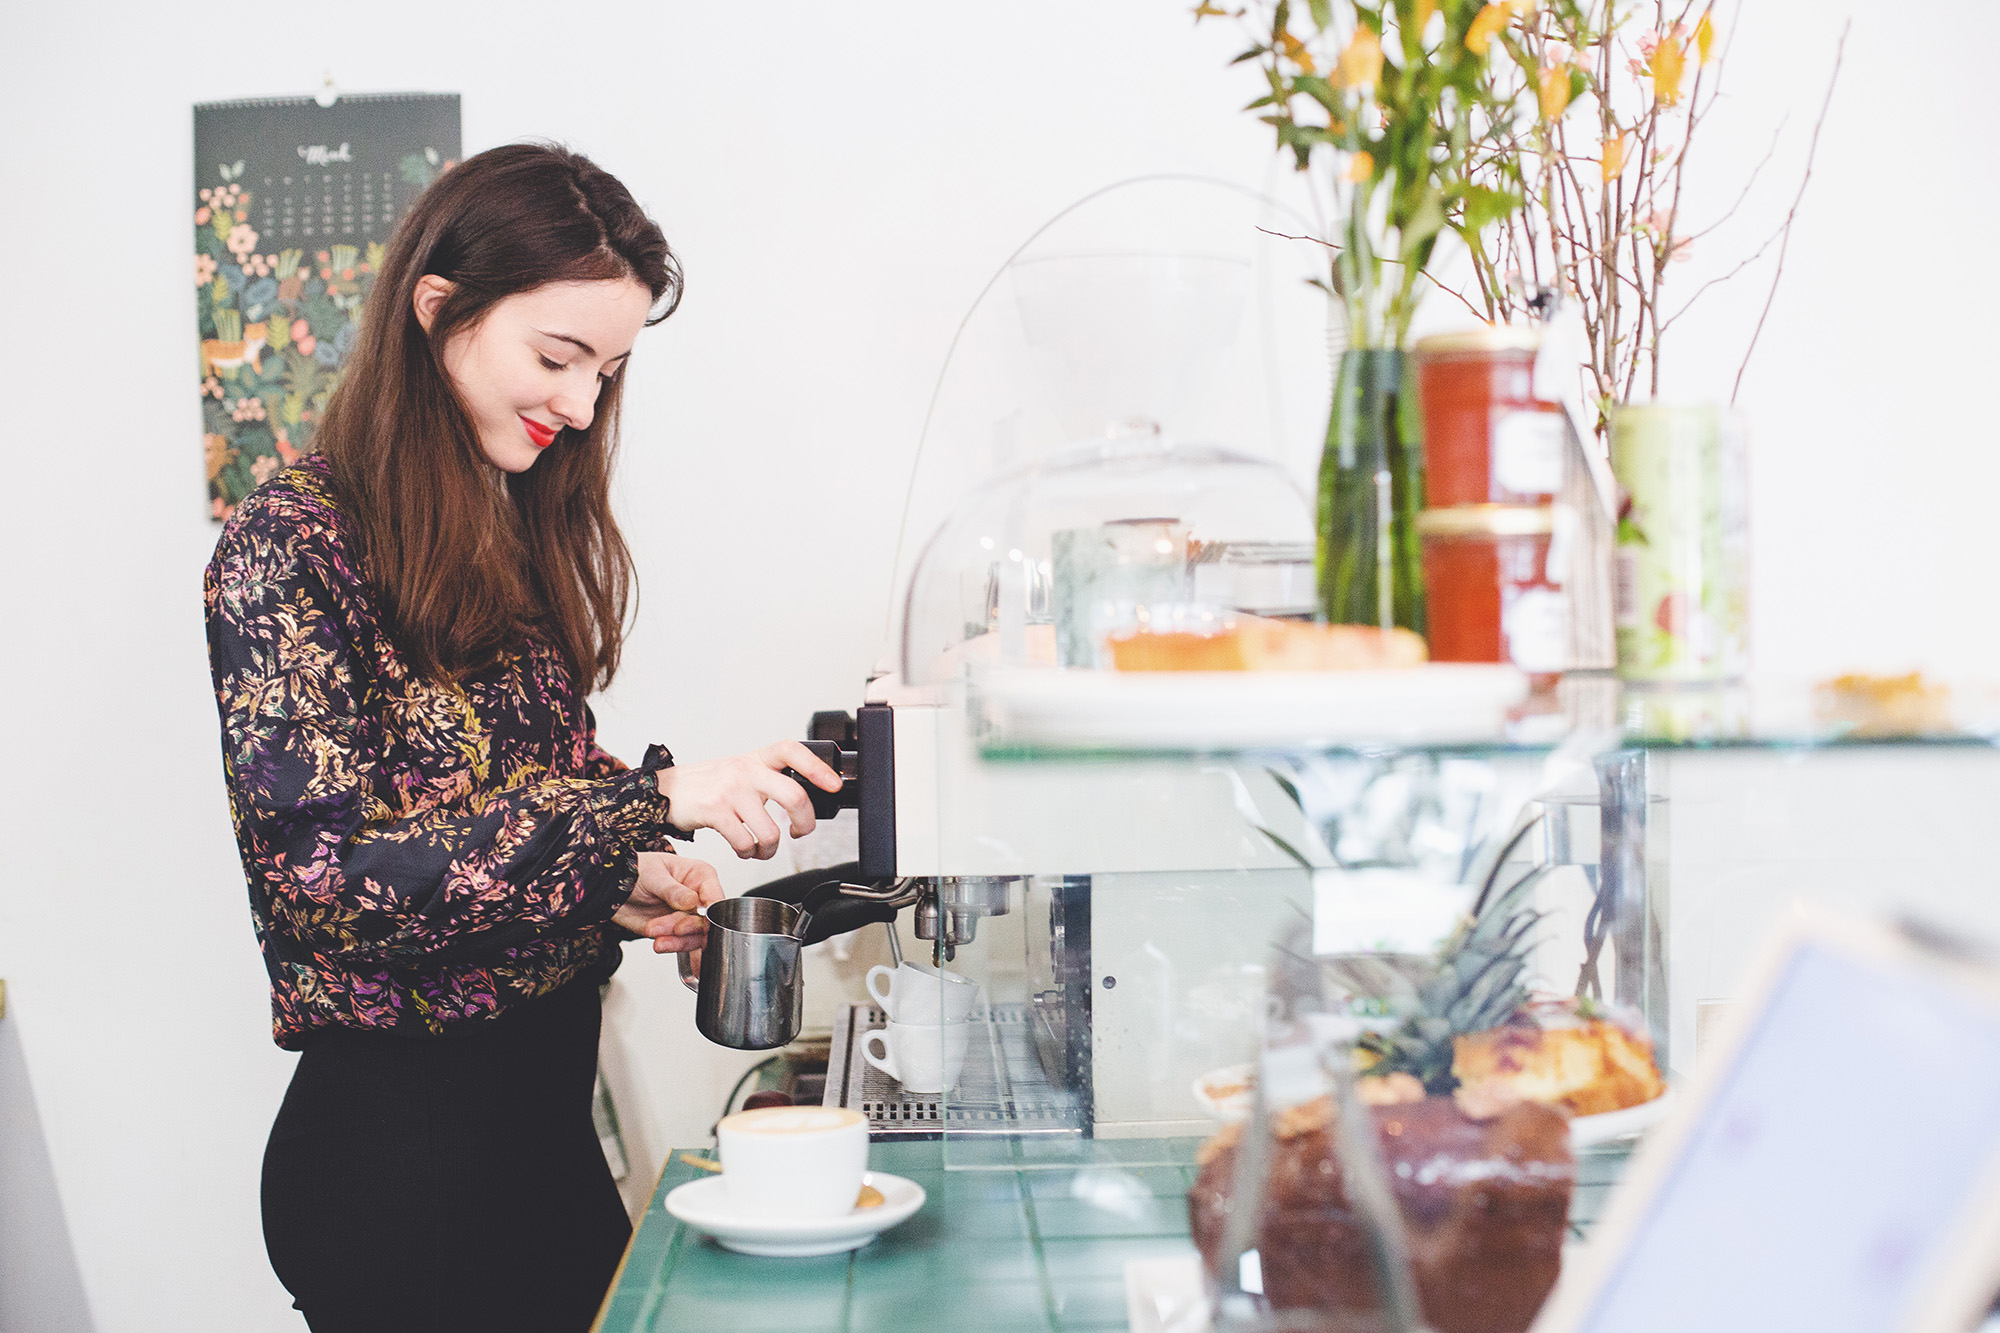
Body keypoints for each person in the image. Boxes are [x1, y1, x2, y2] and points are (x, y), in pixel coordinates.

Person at [202, 142, 841, 1333]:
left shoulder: (497, 528)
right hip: (402, 1173)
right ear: (437, 309)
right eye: (556, 358)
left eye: (608, 370)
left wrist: (624, 882)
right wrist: (645, 803)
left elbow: (508, 808)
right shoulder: (288, 548)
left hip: (537, 1142)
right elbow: (324, 886)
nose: (583, 405)